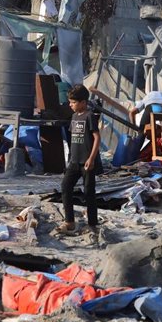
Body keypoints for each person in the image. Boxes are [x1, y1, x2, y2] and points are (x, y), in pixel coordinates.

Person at [57, 85, 101, 234]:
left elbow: (96, 138)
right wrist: (69, 159)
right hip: (74, 162)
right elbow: (73, 139)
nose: (70, 105)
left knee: (89, 192)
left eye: (73, 102)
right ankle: (69, 221)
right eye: (70, 102)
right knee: (65, 186)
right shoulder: (74, 117)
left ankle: (92, 224)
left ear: (83, 102)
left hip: (87, 162)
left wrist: (92, 158)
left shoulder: (89, 116)